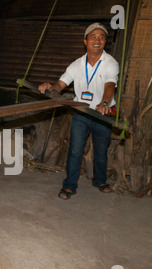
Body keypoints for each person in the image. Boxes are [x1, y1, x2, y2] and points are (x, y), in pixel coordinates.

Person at [38, 23, 119, 200]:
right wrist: (50, 86)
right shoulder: (76, 65)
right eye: (93, 37)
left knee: (101, 150)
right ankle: (69, 185)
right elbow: (61, 84)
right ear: (85, 41)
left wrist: (105, 102)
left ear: (105, 41)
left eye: (101, 37)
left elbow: (110, 85)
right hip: (81, 113)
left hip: (102, 114)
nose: (97, 40)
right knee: (75, 150)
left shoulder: (111, 63)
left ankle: (100, 180)